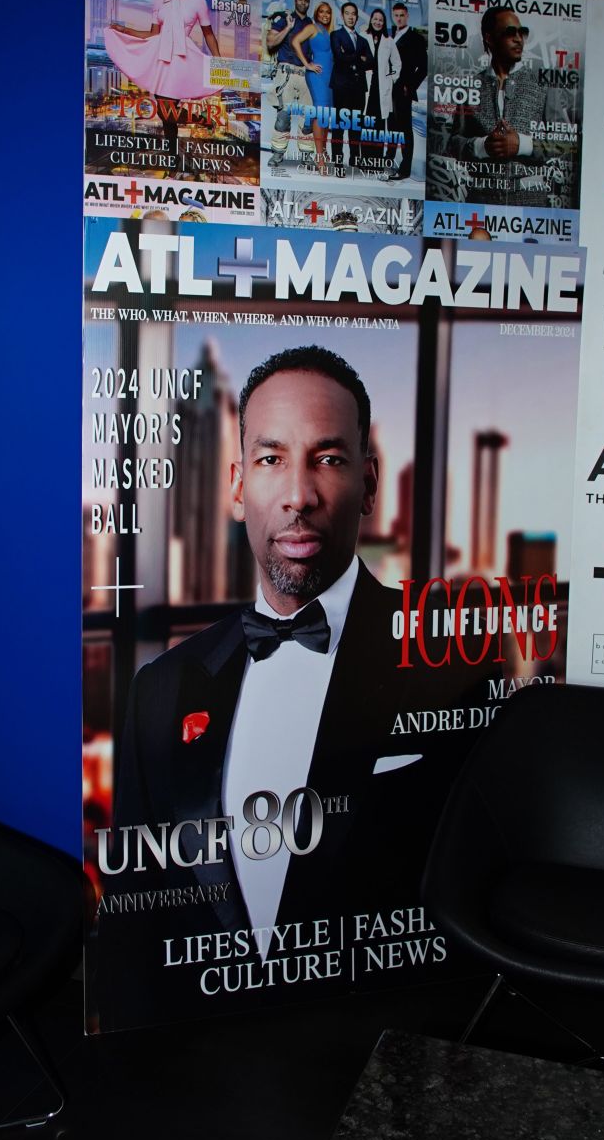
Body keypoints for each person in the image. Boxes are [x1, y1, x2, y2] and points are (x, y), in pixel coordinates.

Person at [97, 346, 488, 1030]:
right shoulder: (159, 689)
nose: (299, 495)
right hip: (201, 1063)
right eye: (271, 458)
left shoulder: (455, 669)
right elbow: (134, 922)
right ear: (236, 485)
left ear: (369, 484)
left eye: (328, 459)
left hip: (378, 1054)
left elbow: (471, 908)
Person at [104, 0, 221, 163]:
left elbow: (208, 34)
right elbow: (152, 34)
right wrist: (124, 30)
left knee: (167, 112)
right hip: (161, 58)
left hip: (182, 59)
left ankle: (200, 119)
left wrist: (219, 62)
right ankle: (172, 160)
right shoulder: (160, 2)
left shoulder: (197, 1)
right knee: (167, 118)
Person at [447, 7, 551, 204]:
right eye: (510, 33)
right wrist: (482, 146)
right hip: (480, 200)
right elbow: (453, 143)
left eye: (522, 32)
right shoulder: (471, 86)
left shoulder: (543, 85)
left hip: (530, 202)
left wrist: (523, 145)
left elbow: (565, 145)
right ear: (489, 38)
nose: (519, 39)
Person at [264, 0, 316, 168]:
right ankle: (278, 154)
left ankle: (307, 155)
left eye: (306, 0)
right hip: (286, 73)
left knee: (308, 118)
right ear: (295, 1)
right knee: (283, 117)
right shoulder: (284, 19)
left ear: (309, 4)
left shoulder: (311, 25)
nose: (303, 3)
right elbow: (270, 42)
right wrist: (288, 27)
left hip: (305, 75)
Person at [290, 2, 334, 173]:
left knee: (326, 115)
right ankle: (319, 157)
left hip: (330, 76)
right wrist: (307, 64)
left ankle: (323, 150)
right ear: (316, 14)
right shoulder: (312, 28)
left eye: (328, 12)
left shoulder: (329, 31)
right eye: (322, 11)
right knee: (319, 113)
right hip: (317, 76)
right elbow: (295, 41)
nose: (325, 15)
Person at [329, 3, 372, 174]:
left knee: (356, 127)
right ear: (342, 15)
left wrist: (350, 56)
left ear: (357, 17)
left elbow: (371, 62)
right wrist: (359, 58)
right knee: (339, 127)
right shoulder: (336, 35)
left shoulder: (363, 40)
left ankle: (355, 159)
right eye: (347, 13)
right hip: (341, 87)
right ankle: (338, 163)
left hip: (359, 88)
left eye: (353, 14)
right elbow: (339, 57)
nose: (351, 17)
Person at [387, 4, 428, 182]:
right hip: (387, 88)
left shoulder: (415, 38)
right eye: (396, 15)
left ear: (407, 16)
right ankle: (388, 161)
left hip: (403, 90)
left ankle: (405, 169)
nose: (399, 18)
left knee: (404, 130)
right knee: (391, 127)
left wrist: (409, 86)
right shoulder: (389, 35)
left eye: (402, 15)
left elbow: (424, 67)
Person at [361, 8, 401, 173]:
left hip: (381, 90)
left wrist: (391, 78)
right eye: (375, 19)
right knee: (366, 126)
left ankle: (376, 163)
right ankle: (365, 161)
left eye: (381, 20)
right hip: (366, 88)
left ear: (384, 23)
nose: (377, 22)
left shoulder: (389, 41)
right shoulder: (363, 37)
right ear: (371, 20)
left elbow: (397, 64)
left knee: (378, 127)